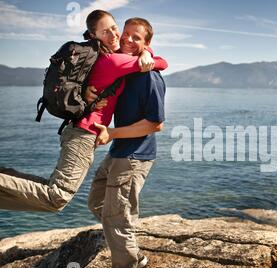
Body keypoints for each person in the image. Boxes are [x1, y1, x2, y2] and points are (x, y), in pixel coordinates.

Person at [0, 10, 167, 213]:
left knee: (52, 188)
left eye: (115, 28)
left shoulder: (106, 56)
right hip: (84, 134)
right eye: (105, 32)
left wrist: (146, 51)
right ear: (93, 36)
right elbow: (161, 64)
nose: (114, 35)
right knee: (58, 196)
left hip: (78, 129)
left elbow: (141, 53)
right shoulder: (115, 61)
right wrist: (148, 54)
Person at [86, 17, 165, 268]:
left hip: (134, 156)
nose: (128, 40)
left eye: (137, 38)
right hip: (118, 152)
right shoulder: (125, 68)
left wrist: (111, 133)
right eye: (126, 34)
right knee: (97, 202)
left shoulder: (149, 77)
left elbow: (156, 124)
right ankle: (134, 255)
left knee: (116, 218)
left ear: (147, 43)